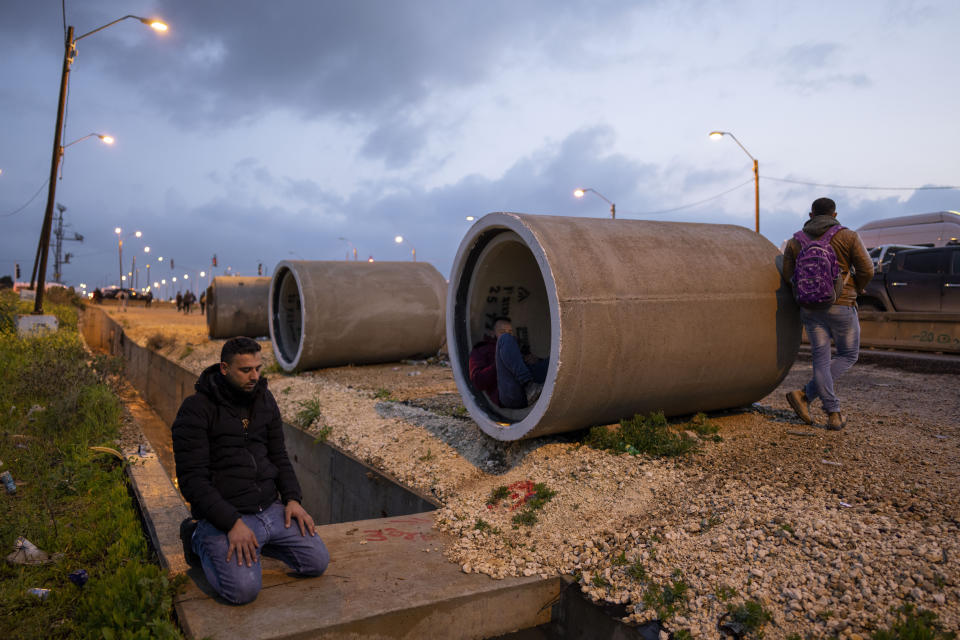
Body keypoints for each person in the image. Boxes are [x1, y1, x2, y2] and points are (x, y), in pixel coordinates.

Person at [172, 337, 329, 604]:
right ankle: (197, 538)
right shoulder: (196, 409)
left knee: (317, 562)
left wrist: (292, 499)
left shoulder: (264, 400)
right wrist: (231, 523)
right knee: (242, 591)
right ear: (224, 368)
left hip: (268, 508)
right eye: (246, 370)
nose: (254, 376)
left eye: (258, 368)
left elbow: (278, 455)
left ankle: (260, 542)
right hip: (224, 516)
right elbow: (192, 480)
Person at [782, 197, 874, 430]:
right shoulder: (848, 236)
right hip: (841, 304)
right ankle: (823, 407)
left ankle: (820, 406)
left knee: (820, 360)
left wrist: (805, 291)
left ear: (811, 215)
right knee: (848, 355)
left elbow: (787, 274)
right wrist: (857, 287)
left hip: (810, 308)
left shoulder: (795, 241)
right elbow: (867, 268)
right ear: (834, 215)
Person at [469, 317, 547, 409]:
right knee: (505, 339)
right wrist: (501, 362)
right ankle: (528, 385)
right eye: (502, 331)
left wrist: (536, 360)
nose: (508, 334)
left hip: (535, 386)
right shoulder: (481, 350)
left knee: (553, 360)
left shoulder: (517, 345)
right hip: (510, 392)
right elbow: (478, 382)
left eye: (510, 332)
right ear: (492, 333)